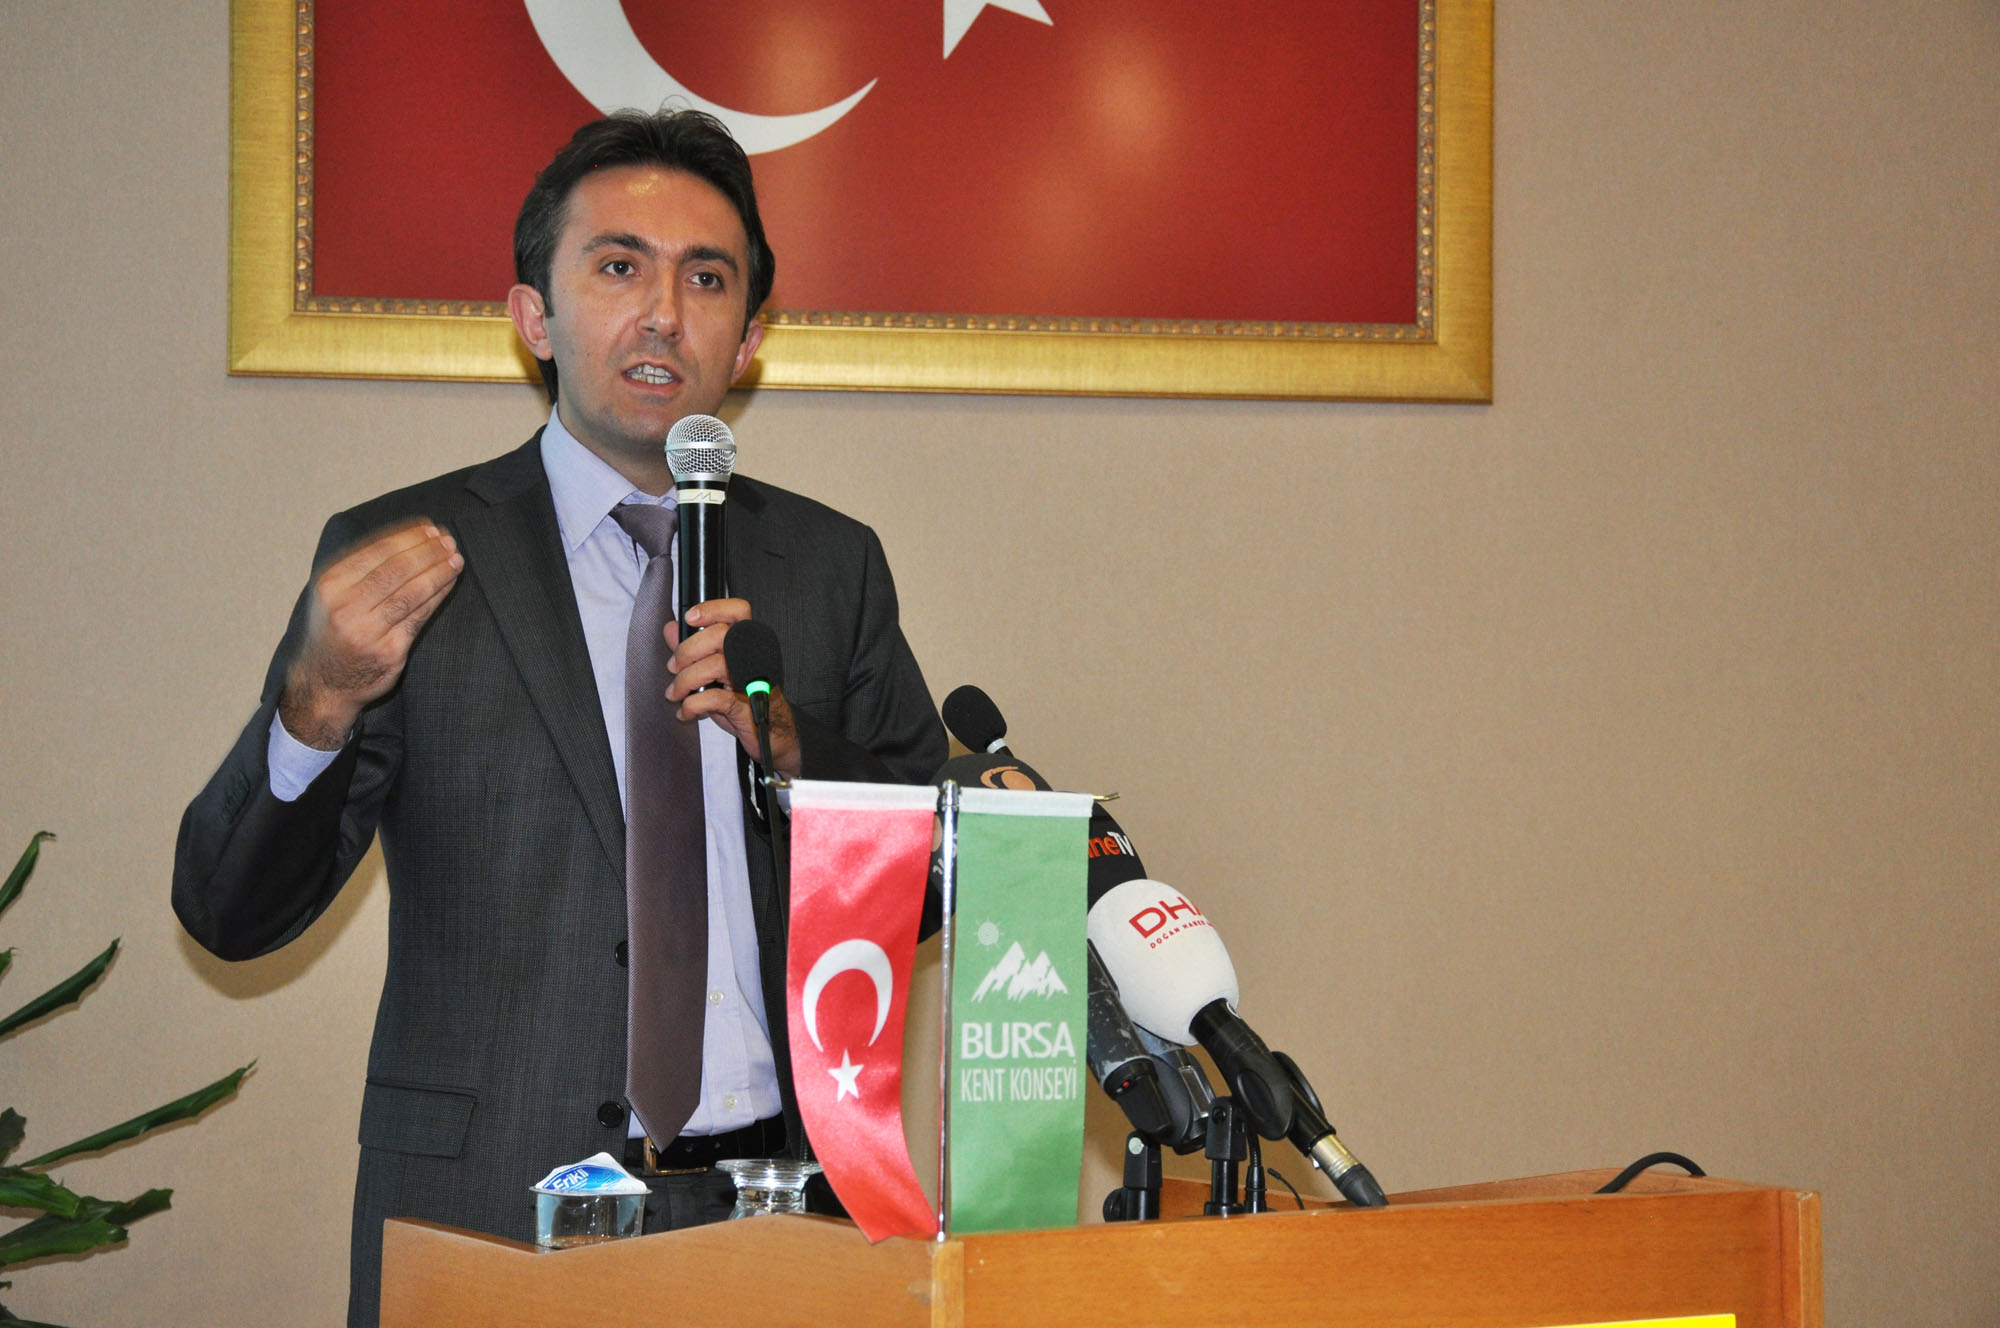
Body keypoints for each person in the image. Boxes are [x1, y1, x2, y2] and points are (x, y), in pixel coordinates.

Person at [173, 109, 944, 1327]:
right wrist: (314, 702)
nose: (663, 314)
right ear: (533, 316)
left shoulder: (828, 565)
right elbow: (231, 913)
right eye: (618, 266)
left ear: (749, 339)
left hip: (777, 1210)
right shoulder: (411, 559)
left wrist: (803, 757)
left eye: (706, 279)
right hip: (495, 1206)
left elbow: (937, 880)